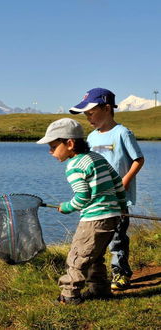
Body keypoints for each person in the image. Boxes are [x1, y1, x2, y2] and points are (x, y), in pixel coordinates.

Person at [37, 118, 127, 304]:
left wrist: (67, 207)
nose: (50, 151)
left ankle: (70, 295)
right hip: (112, 217)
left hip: (93, 220)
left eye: (54, 146)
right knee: (95, 256)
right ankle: (99, 289)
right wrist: (121, 207)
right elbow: (118, 182)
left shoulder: (74, 166)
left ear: (69, 144)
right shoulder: (97, 158)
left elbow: (83, 197)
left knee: (77, 257)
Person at [69, 88, 145, 290]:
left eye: (91, 112)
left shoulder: (122, 133)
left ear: (107, 108)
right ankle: (97, 276)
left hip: (119, 200)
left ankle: (120, 273)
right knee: (97, 240)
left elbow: (138, 159)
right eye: (86, 114)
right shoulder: (92, 137)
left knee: (117, 238)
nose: (88, 118)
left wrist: (125, 180)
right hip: (97, 201)